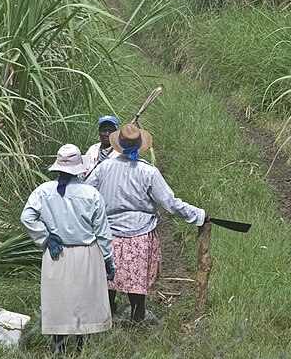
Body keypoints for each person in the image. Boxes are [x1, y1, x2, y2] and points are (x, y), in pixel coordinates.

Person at [85, 124, 208, 322]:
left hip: (109, 232)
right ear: (140, 145)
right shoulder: (148, 172)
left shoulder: (105, 167)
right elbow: (170, 203)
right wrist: (198, 215)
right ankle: (137, 315)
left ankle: (106, 316)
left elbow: (86, 193)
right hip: (139, 233)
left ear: (119, 145)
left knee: (108, 279)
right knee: (136, 278)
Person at [20, 144, 115, 356]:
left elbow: (26, 217)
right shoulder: (91, 194)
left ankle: (59, 350)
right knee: (84, 301)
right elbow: (102, 231)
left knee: (59, 302)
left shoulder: (43, 192)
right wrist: (108, 258)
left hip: (56, 254)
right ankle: (81, 349)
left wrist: (45, 237)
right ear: (79, 168)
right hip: (86, 254)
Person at [80, 115, 121, 180]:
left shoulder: (119, 152)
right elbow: (83, 171)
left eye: (110, 131)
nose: (107, 134)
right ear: (99, 132)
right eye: (104, 130)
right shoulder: (93, 149)